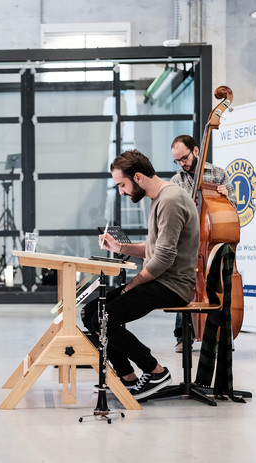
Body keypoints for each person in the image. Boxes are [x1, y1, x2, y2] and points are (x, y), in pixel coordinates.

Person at [82, 149, 199, 400]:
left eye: (122, 185)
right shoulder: (159, 199)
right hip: (162, 280)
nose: (122, 191)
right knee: (90, 312)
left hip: (173, 286)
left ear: (137, 177)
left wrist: (129, 286)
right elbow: (156, 248)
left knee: (104, 317)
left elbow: (163, 259)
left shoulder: (169, 200)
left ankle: (156, 372)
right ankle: (128, 378)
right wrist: (120, 247)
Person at [169, 134, 238, 352]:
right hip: (190, 243)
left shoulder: (218, 174)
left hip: (214, 241)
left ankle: (221, 334)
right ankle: (184, 335)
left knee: (218, 284)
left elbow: (233, 208)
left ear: (196, 151)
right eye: (177, 160)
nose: (182, 164)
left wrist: (227, 197)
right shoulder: (176, 181)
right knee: (186, 285)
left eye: (184, 158)